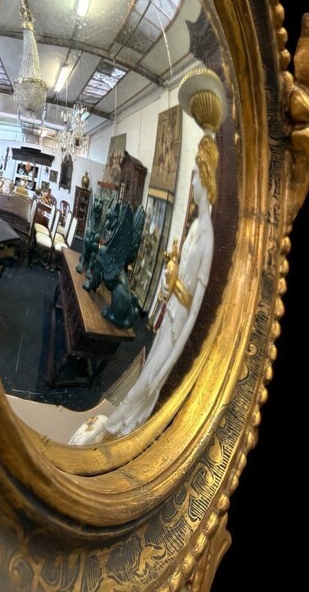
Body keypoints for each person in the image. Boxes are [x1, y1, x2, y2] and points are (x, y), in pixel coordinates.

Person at [69, 135, 218, 445]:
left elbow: (192, 302)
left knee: (150, 380)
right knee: (146, 375)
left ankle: (119, 431)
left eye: (195, 176)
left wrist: (172, 283)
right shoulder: (193, 229)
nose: (192, 183)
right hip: (169, 317)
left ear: (205, 178)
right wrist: (168, 283)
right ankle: (118, 428)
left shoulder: (206, 236)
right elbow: (174, 285)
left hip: (179, 324)